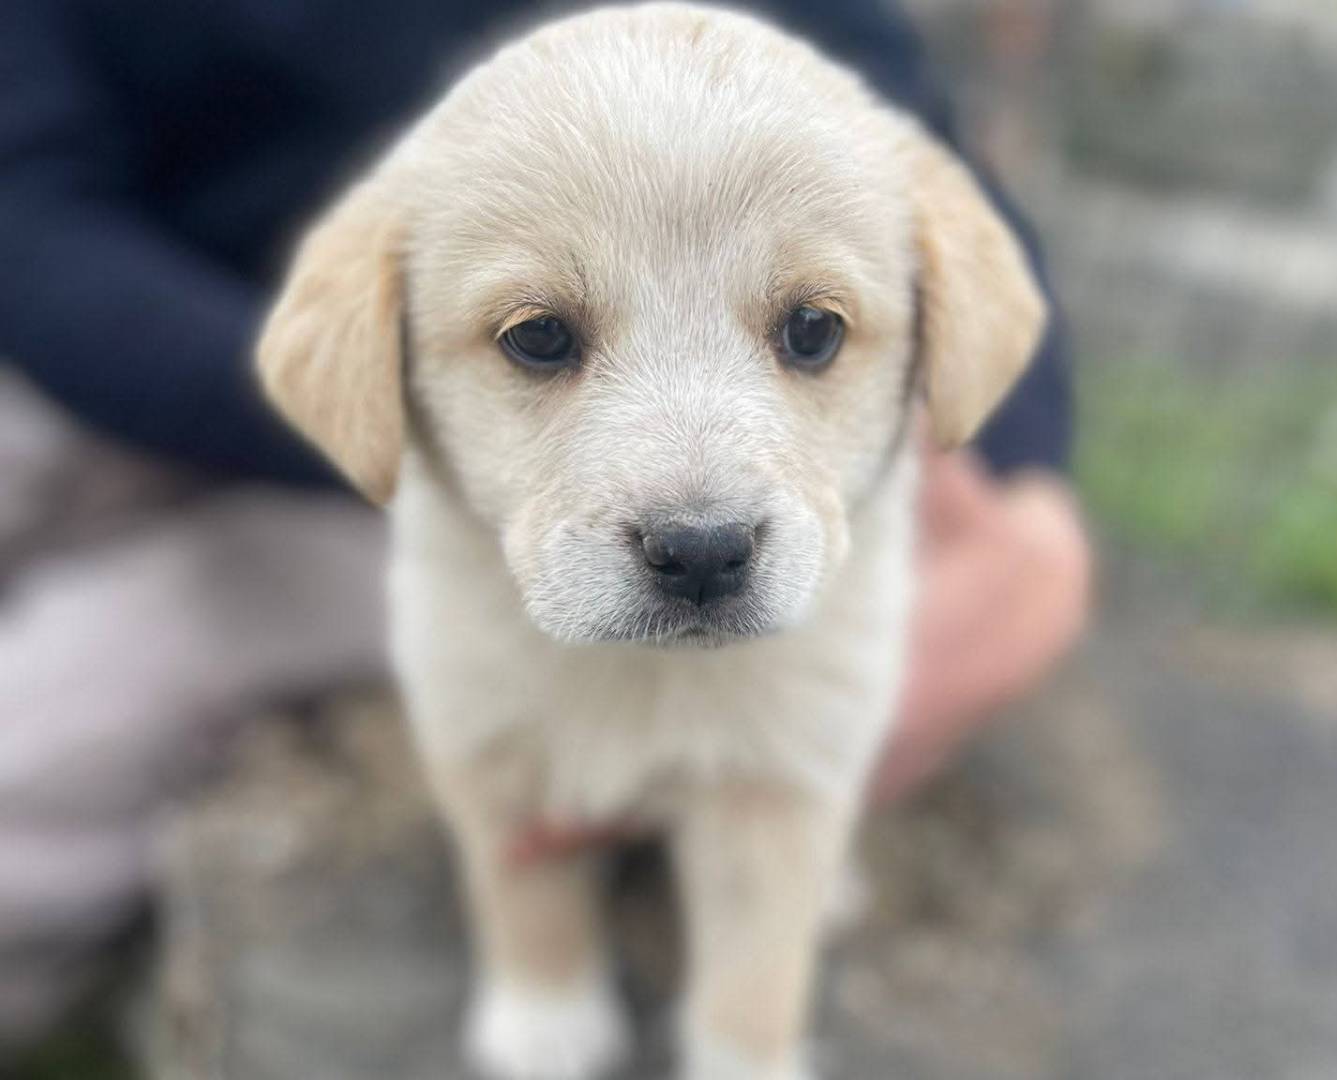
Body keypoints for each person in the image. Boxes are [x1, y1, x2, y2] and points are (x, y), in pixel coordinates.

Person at [0, 0, 1090, 1034]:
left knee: (46, 740)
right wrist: (363, 383)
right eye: (546, 337)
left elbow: (905, 151)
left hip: (410, 483)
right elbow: (26, 193)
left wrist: (1026, 496)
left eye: (805, 330)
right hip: (242, 369)